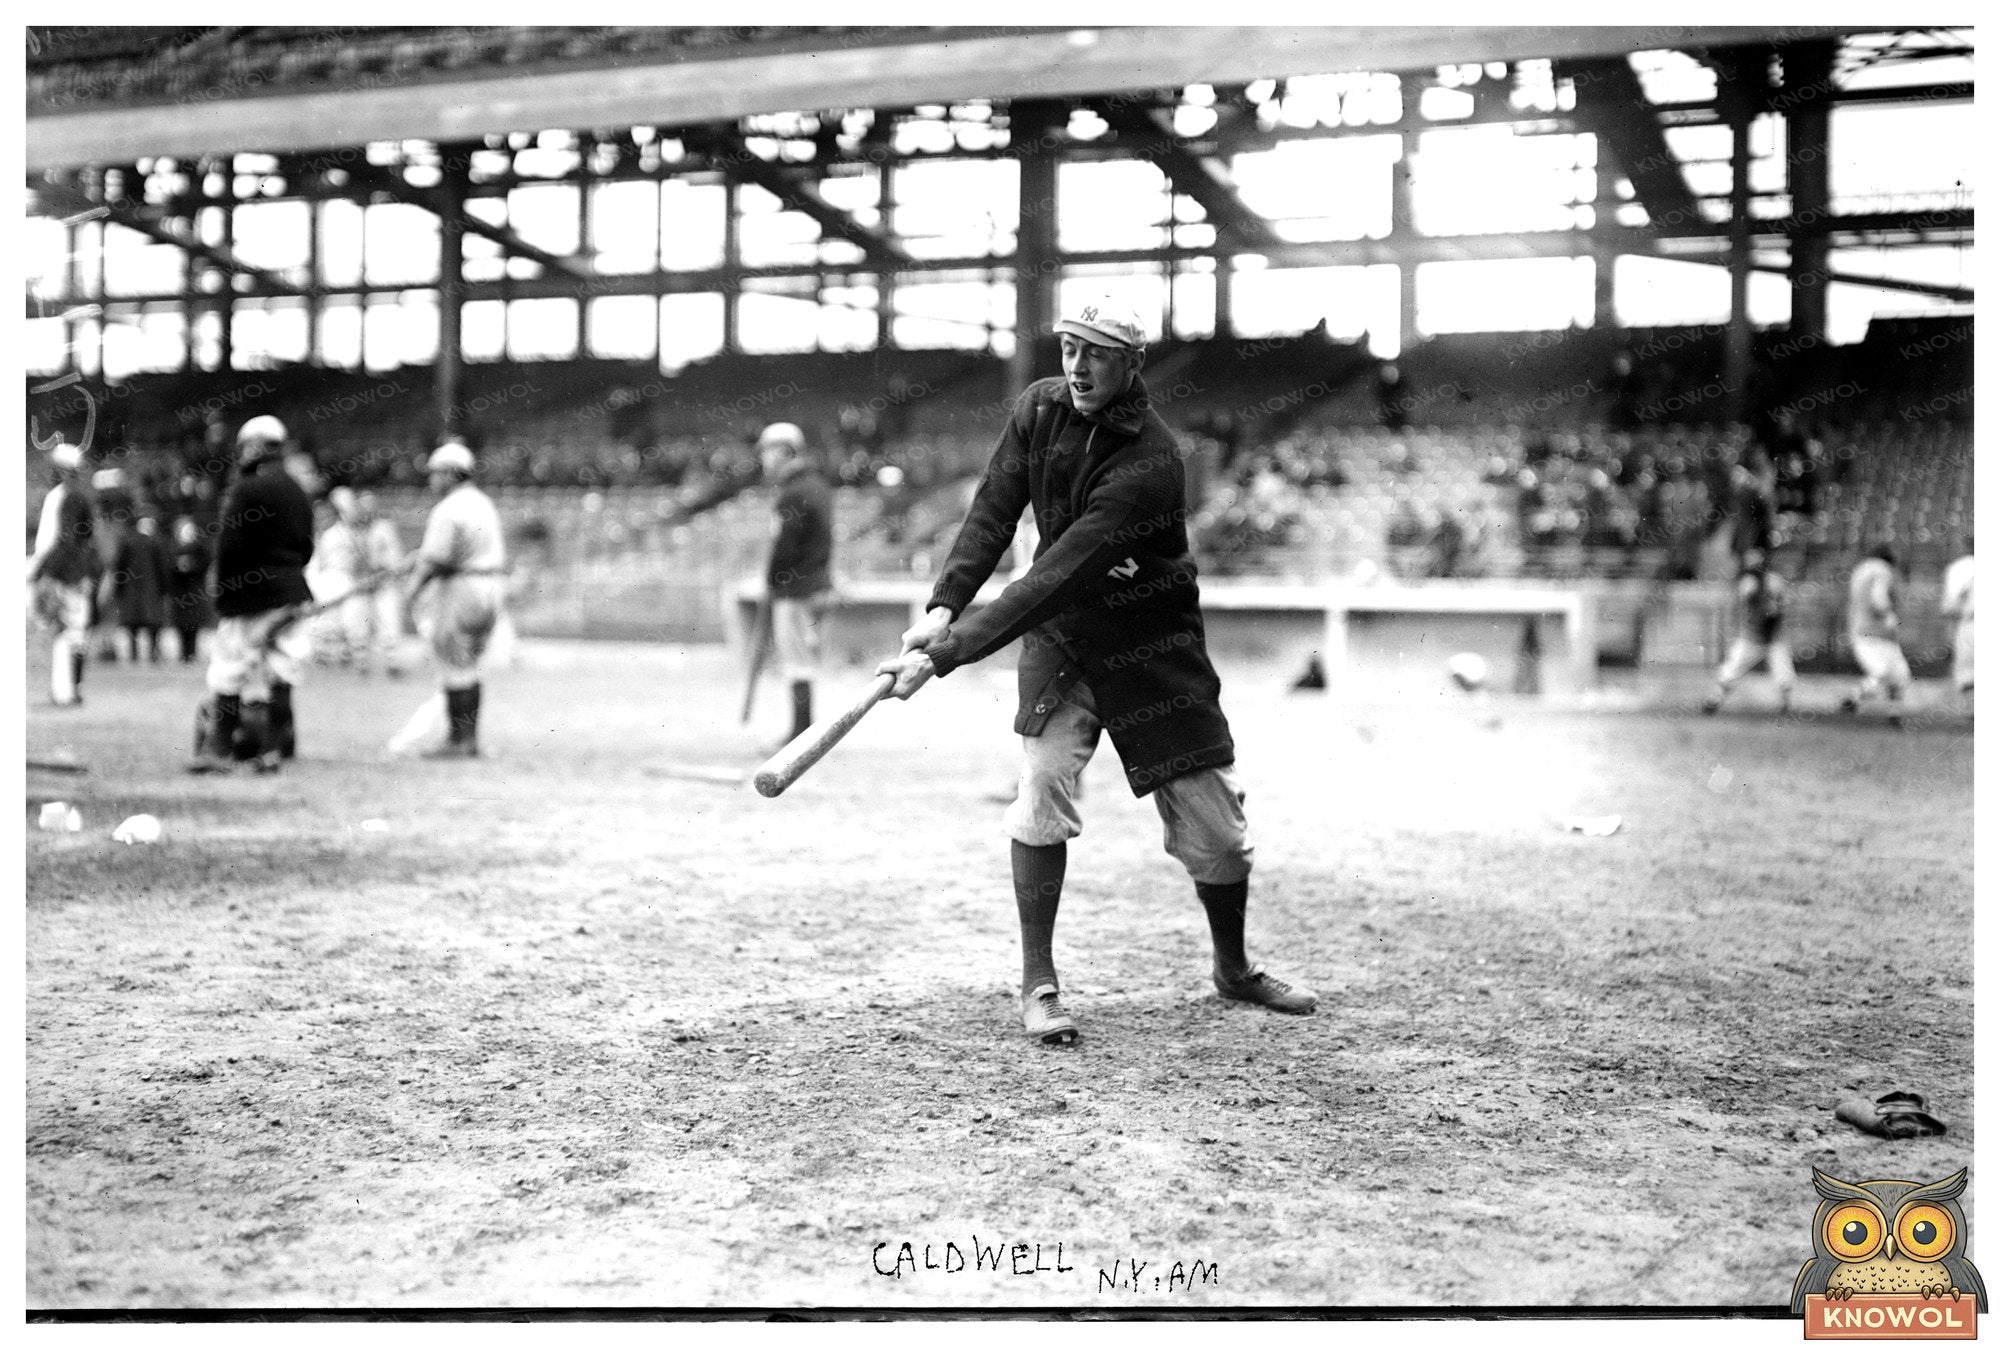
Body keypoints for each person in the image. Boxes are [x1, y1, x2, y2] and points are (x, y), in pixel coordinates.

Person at [874, 293, 1316, 1046]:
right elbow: (992, 512)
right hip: (1065, 644)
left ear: (1132, 364)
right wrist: (945, 605)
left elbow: (1060, 570)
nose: (1077, 366)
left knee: (1217, 832)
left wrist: (948, 658)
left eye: (1098, 353)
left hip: (1152, 648)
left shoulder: (1151, 459)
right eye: (1070, 348)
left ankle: (1233, 968)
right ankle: (1038, 983)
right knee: (1042, 788)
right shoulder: (1039, 411)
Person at [189, 416, 317, 772]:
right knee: (282, 670)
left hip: (251, 595)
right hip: (292, 592)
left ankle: (218, 750)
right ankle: (273, 751)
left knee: (228, 670)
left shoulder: (245, 488)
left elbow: (229, 547)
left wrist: (225, 595)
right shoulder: (296, 488)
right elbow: (307, 547)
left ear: (257, 446)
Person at [402, 440, 507, 758]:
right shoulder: (482, 502)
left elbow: (436, 559)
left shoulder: (448, 509)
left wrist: (412, 590)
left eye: (435, 474)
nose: (432, 481)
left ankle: (458, 740)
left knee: (453, 662)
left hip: (461, 588)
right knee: (471, 664)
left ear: (450, 474)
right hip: (490, 586)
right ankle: (469, 739)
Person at [759, 422, 836, 744]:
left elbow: (785, 547)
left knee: (796, 660)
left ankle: (801, 731)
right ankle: (803, 728)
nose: (764, 459)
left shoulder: (793, 493)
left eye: (767, 451)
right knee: (804, 657)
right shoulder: (817, 485)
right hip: (816, 583)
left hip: (795, 588)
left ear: (783, 451)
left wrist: (771, 581)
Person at [26, 442, 102, 706]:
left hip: (66, 572)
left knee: (69, 632)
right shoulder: (68, 495)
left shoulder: (68, 496)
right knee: (71, 632)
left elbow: (66, 539)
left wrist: (47, 572)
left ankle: (67, 691)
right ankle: (68, 690)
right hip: (70, 571)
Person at [1702, 548, 1795, 715]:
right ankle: (1713, 701)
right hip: (1752, 636)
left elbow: (1782, 606)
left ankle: (1785, 706)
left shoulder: (1774, 581)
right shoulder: (1748, 583)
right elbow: (1747, 607)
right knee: (1730, 670)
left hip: (1773, 636)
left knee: (1784, 674)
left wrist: (1773, 607)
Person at [1840, 543, 1910, 727]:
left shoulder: (1860, 569)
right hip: (1879, 631)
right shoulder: (1883, 570)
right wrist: (1888, 614)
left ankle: (1887, 713)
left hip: (1859, 629)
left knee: (1889, 673)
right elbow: (1879, 599)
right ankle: (1856, 698)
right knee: (1893, 673)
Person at [109, 513, 172, 663]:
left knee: (133, 624)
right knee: (153, 624)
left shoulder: (127, 541)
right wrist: (165, 589)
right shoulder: (156, 542)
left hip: (131, 590)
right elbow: (163, 568)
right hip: (152, 589)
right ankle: (152, 653)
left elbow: (119, 568)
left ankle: (133, 654)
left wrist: (119, 589)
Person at [165, 514, 215, 663]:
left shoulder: (200, 548)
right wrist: (179, 566)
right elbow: (168, 566)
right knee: (181, 625)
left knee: (194, 625)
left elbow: (206, 562)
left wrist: (190, 565)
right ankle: (183, 653)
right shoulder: (173, 548)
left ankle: (192, 653)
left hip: (195, 592)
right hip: (180, 592)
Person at [1940, 539, 1974, 701]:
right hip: (1969, 621)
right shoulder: (1961, 567)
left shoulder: (1959, 567)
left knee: (1967, 673)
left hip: (1969, 624)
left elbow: (1950, 607)